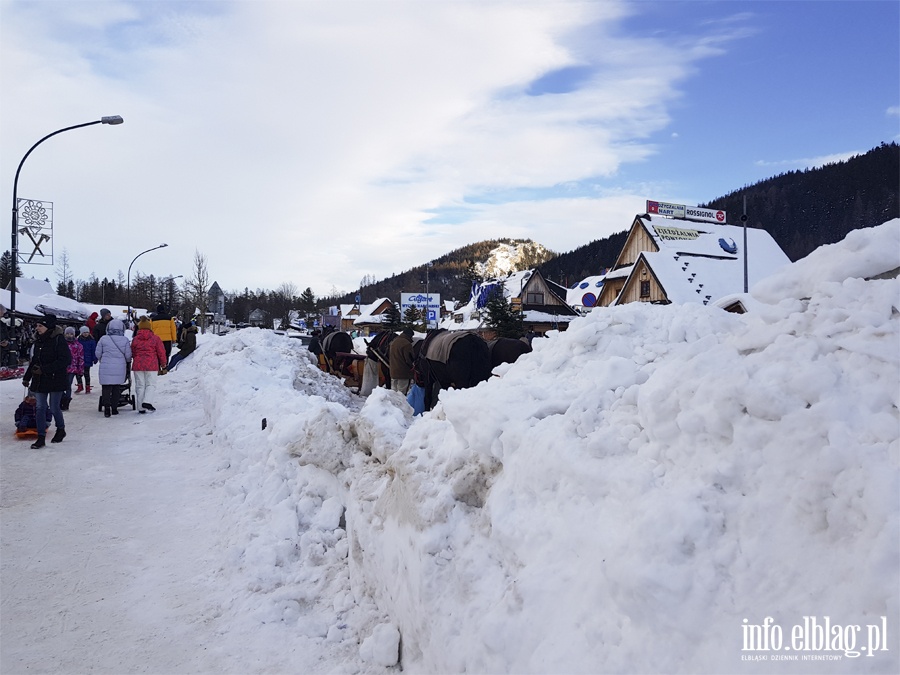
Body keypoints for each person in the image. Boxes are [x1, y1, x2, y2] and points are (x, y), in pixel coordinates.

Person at [21, 314, 71, 448]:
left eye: (40, 326)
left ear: (48, 326)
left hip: (56, 379)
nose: (37, 328)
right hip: (40, 380)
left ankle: (61, 429)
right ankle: (41, 437)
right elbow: (35, 360)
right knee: (40, 408)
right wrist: (27, 377)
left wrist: (45, 369)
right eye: (37, 326)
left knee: (54, 407)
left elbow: (65, 360)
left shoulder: (58, 339)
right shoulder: (38, 340)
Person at [95, 318, 132, 417]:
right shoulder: (124, 340)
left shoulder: (103, 339)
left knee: (106, 388)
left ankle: (107, 408)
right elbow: (128, 356)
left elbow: (97, 353)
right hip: (119, 366)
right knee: (116, 387)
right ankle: (114, 408)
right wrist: (127, 362)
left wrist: (103, 359)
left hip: (106, 365)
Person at [131, 316, 166, 413]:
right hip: (152, 364)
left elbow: (132, 352)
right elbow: (161, 352)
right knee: (151, 384)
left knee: (140, 385)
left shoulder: (135, 339)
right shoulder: (155, 338)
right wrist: (163, 363)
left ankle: (140, 407)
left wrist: (137, 358)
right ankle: (147, 401)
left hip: (138, 365)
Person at [61, 326, 84, 411]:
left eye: (71, 334)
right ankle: (62, 399)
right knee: (60, 385)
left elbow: (81, 358)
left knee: (68, 385)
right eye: (67, 333)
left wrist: (80, 370)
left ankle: (66, 402)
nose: (69, 335)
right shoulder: (62, 343)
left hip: (72, 368)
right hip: (62, 367)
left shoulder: (78, 345)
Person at [388, 327, 415, 394]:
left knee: (393, 392)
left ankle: (392, 404)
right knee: (401, 393)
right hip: (403, 373)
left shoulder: (393, 341)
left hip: (393, 372)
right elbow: (409, 359)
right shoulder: (406, 344)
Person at [75, 326, 97, 393]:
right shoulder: (78, 341)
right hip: (79, 360)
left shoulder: (92, 341)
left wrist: (95, 358)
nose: (86, 334)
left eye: (87, 332)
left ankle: (87, 387)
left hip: (87, 359)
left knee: (86, 374)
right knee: (78, 374)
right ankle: (80, 385)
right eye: (84, 332)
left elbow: (94, 350)